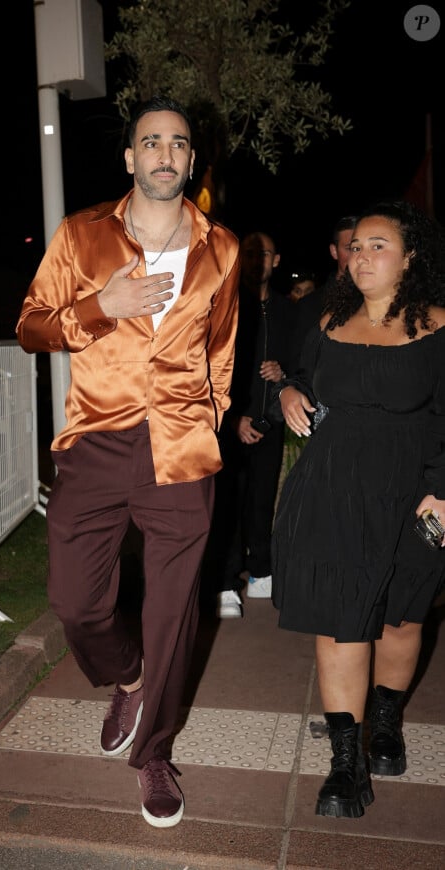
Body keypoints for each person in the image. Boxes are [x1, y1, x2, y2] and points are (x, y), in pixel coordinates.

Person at [15, 95, 240, 828]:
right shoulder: (82, 236)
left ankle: (154, 754)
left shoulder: (223, 248)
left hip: (181, 448)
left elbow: (221, 350)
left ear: (191, 160)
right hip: (97, 440)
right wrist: (100, 306)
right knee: (75, 602)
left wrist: (211, 415)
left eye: (178, 143)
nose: (164, 154)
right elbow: (30, 327)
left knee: (175, 614)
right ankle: (127, 674)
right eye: (151, 142)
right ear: (130, 158)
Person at [272, 200, 445, 819]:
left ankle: (387, 724)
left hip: (416, 496)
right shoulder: (327, 320)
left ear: (410, 257)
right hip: (332, 491)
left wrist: (443, 492)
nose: (361, 256)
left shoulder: (438, 327)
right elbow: (294, 379)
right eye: (356, 246)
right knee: (340, 619)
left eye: (378, 245)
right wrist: (289, 392)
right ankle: (346, 762)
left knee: (401, 616)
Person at [214, 231, 294, 618]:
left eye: (263, 252)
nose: (256, 259)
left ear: (275, 260)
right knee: (228, 502)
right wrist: (231, 419)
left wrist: (284, 373)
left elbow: (304, 367)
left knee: (263, 501)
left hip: (270, 423)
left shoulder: (287, 310)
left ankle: (262, 571)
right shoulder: (224, 305)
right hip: (229, 424)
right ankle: (227, 583)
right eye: (248, 253)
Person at [288, 215, 358, 376]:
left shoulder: (381, 300)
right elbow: (298, 365)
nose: (357, 255)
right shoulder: (310, 305)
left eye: (360, 248)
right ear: (334, 251)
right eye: (350, 248)